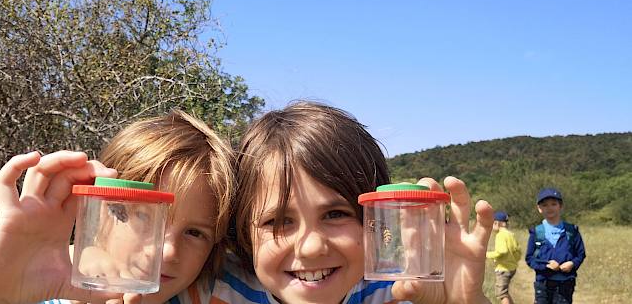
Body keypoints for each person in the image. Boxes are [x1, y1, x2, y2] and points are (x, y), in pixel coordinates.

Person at [0, 110, 235, 304]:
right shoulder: (41, 291)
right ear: (102, 211)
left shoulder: (211, 294)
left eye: (195, 232)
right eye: (144, 215)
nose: (167, 252)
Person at [207, 101, 495, 304]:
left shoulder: (401, 294)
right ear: (244, 232)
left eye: (335, 214)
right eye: (279, 221)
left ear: (374, 221)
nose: (311, 247)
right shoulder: (211, 291)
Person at [525, 188, 586, 304]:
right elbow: (529, 258)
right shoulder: (537, 232)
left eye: (554, 204)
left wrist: (572, 264)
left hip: (565, 284)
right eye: (545, 205)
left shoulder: (572, 231)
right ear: (539, 208)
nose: (550, 208)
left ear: (560, 206)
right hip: (543, 284)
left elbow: (580, 254)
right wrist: (546, 265)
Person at [486, 211, 522, 304]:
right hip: (511, 268)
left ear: (497, 223)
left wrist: (487, 254)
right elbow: (518, 251)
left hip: (503, 269)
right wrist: (514, 261)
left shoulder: (500, 235)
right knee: (505, 292)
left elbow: (502, 251)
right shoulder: (511, 234)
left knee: (502, 294)